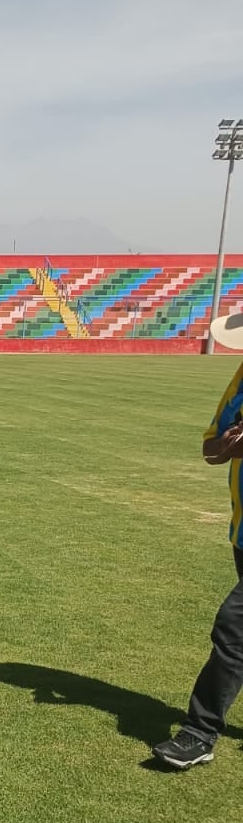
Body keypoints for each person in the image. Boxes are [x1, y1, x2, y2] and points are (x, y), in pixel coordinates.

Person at [154, 320, 243, 768]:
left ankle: (199, 731)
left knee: (234, 627)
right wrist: (228, 448)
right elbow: (210, 448)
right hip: (242, 533)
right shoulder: (241, 379)